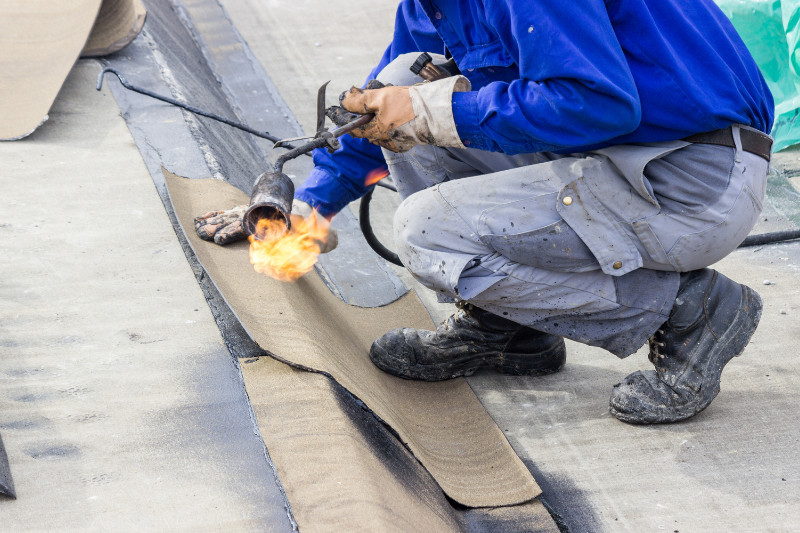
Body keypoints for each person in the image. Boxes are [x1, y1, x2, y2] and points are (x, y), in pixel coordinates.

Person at [197, 0, 774, 424]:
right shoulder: (431, 6)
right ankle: (509, 330)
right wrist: (310, 209)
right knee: (404, 81)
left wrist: (434, 112)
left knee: (426, 231)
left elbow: (599, 103)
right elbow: (380, 111)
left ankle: (686, 311)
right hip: (609, 153)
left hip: (691, 178)